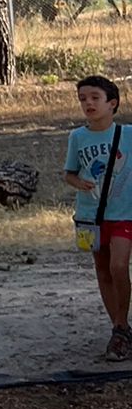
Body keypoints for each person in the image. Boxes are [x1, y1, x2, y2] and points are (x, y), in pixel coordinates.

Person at [63, 73, 132, 362]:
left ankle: (122, 324)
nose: (88, 104)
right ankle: (120, 330)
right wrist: (78, 183)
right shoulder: (77, 137)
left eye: (95, 98)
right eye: (82, 99)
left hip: (124, 214)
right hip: (91, 216)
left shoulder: (127, 135)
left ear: (112, 103)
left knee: (119, 266)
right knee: (103, 270)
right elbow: (69, 173)